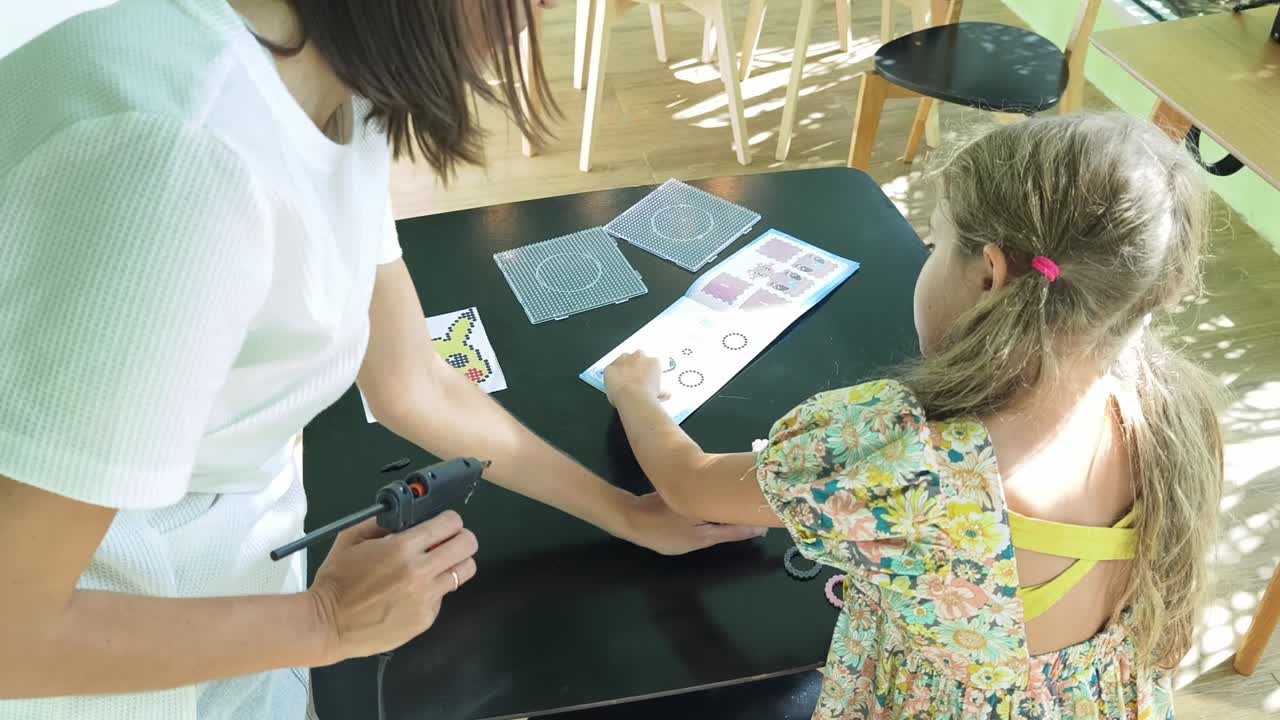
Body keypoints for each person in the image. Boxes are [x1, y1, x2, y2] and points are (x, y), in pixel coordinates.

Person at [0, 1, 764, 718]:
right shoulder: (178, 163)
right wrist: (325, 622)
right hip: (105, 666)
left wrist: (624, 512)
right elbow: (13, 634)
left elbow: (414, 383)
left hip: (228, 600)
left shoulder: (329, 83)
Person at [603, 112, 1224, 718]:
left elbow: (688, 485)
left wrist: (633, 392)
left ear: (990, 274)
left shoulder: (907, 457)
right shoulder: (1173, 410)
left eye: (937, 241)